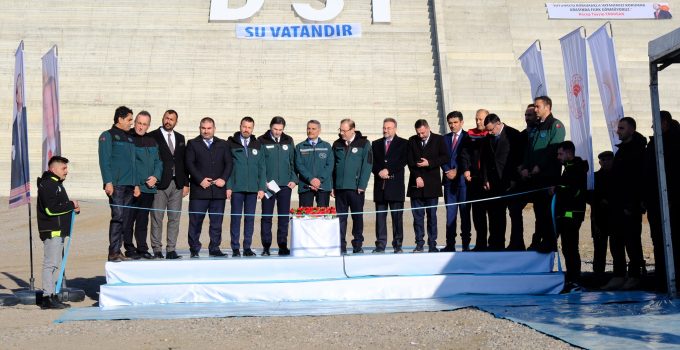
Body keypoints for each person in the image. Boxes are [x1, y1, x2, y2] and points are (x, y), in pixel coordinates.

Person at [602, 117, 647, 290]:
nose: (618, 131)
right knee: (616, 242)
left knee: (632, 242)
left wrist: (633, 204)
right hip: (617, 205)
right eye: (618, 128)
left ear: (631, 130)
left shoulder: (639, 151)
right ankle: (619, 274)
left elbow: (639, 180)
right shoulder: (621, 151)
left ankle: (635, 275)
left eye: (621, 128)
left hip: (630, 206)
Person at [521, 96, 565, 253]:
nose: (535, 109)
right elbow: (529, 149)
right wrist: (525, 167)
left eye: (538, 106)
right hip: (535, 178)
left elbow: (553, 149)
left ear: (547, 107)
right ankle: (539, 241)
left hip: (549, 177)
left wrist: (540, 166)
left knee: (548, 212)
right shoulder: (537, 127)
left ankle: (549, 242)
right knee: (539, 212)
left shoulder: (556, 125)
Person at [643, 111, 680, 292]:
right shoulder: (655, 143)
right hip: (655, 200)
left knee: (673, 239)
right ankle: (662, 278)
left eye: (655, 123)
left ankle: (673, 279)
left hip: (670, 201)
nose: (652, 126)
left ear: (664, 123)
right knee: (658, 239)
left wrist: (671, 197)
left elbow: (673, 173)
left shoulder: (674, 142)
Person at [185, 117, 233, 258]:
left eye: (208, 128)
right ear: (200, 128)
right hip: (199, 191)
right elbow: (189, 164)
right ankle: (194, 249)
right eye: (203, 128)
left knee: (216, 222)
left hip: (218, 192)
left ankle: (214, 248)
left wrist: (223, 179)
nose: (206, 131)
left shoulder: (223, 144)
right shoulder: (193, 143)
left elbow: (229, 164)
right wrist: (200, 180)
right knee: (195, 222)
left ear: (214, 129)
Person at [37, 156, 80, 309]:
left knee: (56, 264)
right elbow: (51, 209)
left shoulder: (57, 185)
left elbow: (61, 207)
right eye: (64, 168)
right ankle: (47, 297)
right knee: (51, 264)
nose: (66, 172)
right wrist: (70, 204)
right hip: (52, 231)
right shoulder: (48, 184)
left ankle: (52, 295)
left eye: (66, 168)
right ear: (53, 169)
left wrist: (73, 209)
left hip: (59, 231)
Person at [149, 109, 189, 260]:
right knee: (157, 217)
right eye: (166, 118)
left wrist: (186, 183)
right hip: (160, 183)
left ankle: (171, 249)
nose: (168, 121)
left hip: (177, 183)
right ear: (162, 118)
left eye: (172, 119)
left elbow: (182, 162)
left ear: (176, 122)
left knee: (174, 218)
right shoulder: (153, 136)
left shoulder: (180, 137)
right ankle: (157, 249)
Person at [122, 111, 162, 260]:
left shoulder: (152, 140)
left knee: (143, 220)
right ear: (135, 122)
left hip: (149, 188)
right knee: (129, 219)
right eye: (139, 123)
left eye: (144, 124)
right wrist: (136, 184)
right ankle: (129, 247)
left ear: (148, 126)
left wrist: (156, 177)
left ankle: (142, 248)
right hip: (133, 188)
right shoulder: (128, 139)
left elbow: (159, 162)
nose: (141, 126)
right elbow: (129, 164)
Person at [98, 106, 136, 262]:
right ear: (119, 119)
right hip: (116, 185)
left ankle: (118, 249)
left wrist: (136, 184)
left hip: (129, 185)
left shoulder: (129, 137)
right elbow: (104, 160)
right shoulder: (108, 136)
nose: (131, 123)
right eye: (129, 120)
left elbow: (133, 163)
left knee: (125, 219)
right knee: (118, 216)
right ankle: (113, 251)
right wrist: (108, 181)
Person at [480, 114, 521, 251]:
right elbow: (485, 160)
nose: (490, 133)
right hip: (494, 183)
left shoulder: (513, 135)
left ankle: (516, 243)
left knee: (514, 214)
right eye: (488, 130)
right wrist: (485, 179)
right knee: (495, 215)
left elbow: (518, 159)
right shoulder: (487, 139)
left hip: (510, 182)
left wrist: (515, 179)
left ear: (498, 123)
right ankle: (496, 243)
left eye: (491, 129)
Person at [227, 116, 266, 257]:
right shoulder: (231, 143)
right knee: (236, 218)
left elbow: (262, 167)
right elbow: (228, 167)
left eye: (249, 127)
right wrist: (228, 186)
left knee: (250, 218)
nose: (246, 130)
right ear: (240, 126)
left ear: (252, 129)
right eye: (244, 126)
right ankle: (235, 248)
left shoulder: (257, 144)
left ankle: (247, 247)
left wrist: (261, 188)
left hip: (253, 190)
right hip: (237, 188)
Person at [407, 119, 449, 253]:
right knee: (417, 217)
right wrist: (417, 176)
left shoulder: (439, 139)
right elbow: (410, 161)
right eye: (418, 133)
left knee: (432, 216)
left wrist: (429, 163)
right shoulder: (412, 140)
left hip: (432, 185)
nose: (420, 136)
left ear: (428, 128)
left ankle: (432, 244)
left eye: (423, 133)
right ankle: (419, 244)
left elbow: (445, 157)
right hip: (416, 185)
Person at [257, 116, 297, 256]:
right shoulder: (261, 140)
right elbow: (260, 164)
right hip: (269, 186)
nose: (277, 132)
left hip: (285, 186)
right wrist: (264, 183)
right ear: (270, 127)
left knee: (283, 217)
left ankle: (282, 245)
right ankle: (266, 246)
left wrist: (293, 179)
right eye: (275, 129)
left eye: (280, 129)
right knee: (267, 216)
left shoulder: (288, 140)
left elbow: (293, 162)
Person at [332, 119, 373, 254]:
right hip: (340, 189)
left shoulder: (364, 144)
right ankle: (341, 245)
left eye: (344, 131)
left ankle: (357, 244)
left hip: (356, 189)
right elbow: (333, 167)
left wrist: (362, 185)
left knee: (357, 218)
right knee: (341, 219)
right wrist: (333, 186)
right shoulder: (337, 144)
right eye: (341, 130)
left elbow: (367, 166)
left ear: (352, 130)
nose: (342, 133)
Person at [553, 141, 588, 291]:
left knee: (571, 247)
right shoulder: (568, 168)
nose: (558, 157)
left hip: (572, 214)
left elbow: (573, 190)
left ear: (569, 153)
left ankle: (575, 280)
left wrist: (557, 189)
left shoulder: (577, 168)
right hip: (565, 213)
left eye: (561, 154)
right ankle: (571, 277)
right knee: (567, 248)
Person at [372, 118, 408, 254]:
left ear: (395, 129)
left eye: (389, 128)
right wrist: (378, 171)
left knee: (397, 218)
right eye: (384, 128)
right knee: (380, 218)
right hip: (380, 187)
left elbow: (403, 160)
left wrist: (389, 170)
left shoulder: (403, 143)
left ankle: (397, 245)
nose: (386, 130)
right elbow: (372, 162)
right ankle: (380, 244)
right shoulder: (375, 144)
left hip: (395, 186)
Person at [506, 104, 539, 251]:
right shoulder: (522, 135)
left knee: (540, 212)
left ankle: (537, 242)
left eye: (530, 115)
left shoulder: (541, 134)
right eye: (526, 115)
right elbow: (515, 157)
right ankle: (517, 242)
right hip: (523, 179)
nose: (527, 118)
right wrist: (519, 170)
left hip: (538, 179)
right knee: (514, 208)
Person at [459, 109, 490, 251]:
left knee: (494, 214)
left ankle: (496, 242)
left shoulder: (491, 134)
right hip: (475, 180)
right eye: (476, 119)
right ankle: (480, 243)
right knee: (478, 215)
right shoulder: (470, 135)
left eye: (481, 119)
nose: (478, 122)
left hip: (489, 181)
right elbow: (464, 154)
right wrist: (466, 169)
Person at [441, 111, 471, 252]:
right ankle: (450, 244)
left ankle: (465, 244)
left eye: (455, 122)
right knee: (450, 215)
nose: (452, 125)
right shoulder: (444, 139)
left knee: (465, 214)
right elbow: (441, 157)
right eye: (450, 123)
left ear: (461, 122)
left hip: (463, 183)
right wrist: (447, 171)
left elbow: (467, 158)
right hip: (449, 182)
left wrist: (457, 171)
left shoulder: (468, 137)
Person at [587, 151, 615, 278]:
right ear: (599, 162)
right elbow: (588, 195)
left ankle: (618, 273)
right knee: (599, 248)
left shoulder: (618, 176)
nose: (606, 162)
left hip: (615, 215)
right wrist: (599, 201)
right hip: (598, 216)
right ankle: (598, 274)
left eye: (609, 159)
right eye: (604, 160)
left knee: (617, 247)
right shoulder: (594, 177)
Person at [295, 120, 334, 206]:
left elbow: (330, 165)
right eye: (308, 128)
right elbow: (299, 165)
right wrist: (311, 179)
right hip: (305, 186)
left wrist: (319, 179)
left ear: (319, 131)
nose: (310, 131)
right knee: (305, 216)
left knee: (323, 216)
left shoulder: (327, 146)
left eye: (313, 128)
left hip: (323, 186)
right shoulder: (300, 147)